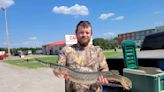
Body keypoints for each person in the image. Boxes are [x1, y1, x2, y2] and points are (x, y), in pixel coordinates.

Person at [53, 21, 129, 92]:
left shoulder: (98, 50)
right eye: (81, 32)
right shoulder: (66, 50)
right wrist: (57, 73)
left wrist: (103, 79)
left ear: (91, 34)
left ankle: (121, 80)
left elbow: (104, 69)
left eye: (87, 32)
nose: (84, 35)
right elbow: (58, 68)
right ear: (76, 34)